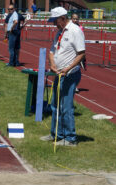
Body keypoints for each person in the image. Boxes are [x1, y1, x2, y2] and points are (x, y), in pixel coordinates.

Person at [40, 7, 85, 146]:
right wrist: (53, 64)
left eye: (55, 20)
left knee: (66, 107)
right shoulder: (59, 32)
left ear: (63, 18)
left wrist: (68, 68)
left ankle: (70, 138)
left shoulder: (75, 31)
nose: (54, 23)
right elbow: (52, 51)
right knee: (55, 105)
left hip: (70, 75)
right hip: (59, 73)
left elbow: (81, 53)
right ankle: (56, 134)